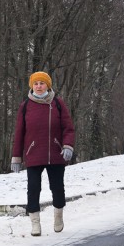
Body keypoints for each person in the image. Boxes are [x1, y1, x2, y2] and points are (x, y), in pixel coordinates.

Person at [11, 71, 76, 236]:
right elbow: (19, 133)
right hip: (34, 153)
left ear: (48, 85)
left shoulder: (58, 104)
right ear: (32, 86)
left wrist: (67, 146)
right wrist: (16, 157)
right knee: (33, 189)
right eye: (36, 84)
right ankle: (35, 223)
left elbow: (68, 128)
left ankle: (58, 216)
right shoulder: (25, 106)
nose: (39, 86)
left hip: (56, 153)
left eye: (42, 83)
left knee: (57, 188)